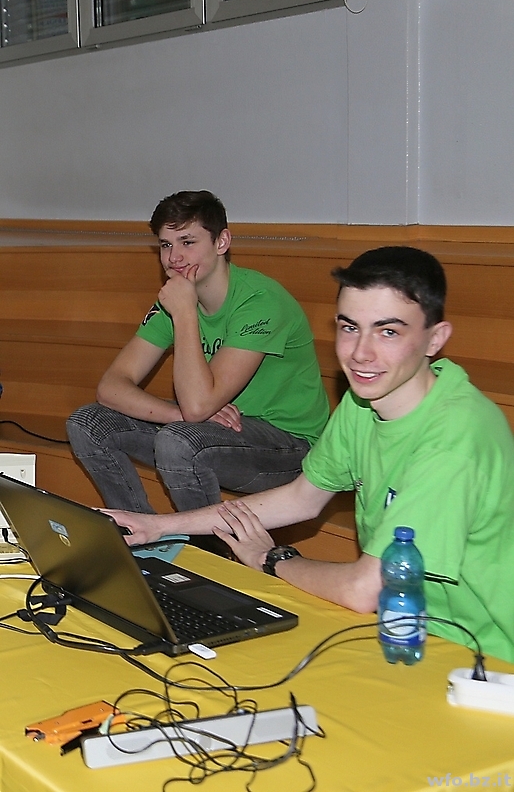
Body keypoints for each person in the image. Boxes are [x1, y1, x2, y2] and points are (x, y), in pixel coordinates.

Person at [106, 245, 514, 662]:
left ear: (435, 339)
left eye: (388, 332)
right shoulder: (364, 402)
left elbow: (363, 589)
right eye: (350, 327)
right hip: (407, 634)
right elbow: (302, 498)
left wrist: (271, 559)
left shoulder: (453, 440)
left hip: (485, 660)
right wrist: (157, 526)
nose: (361, 353)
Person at [66, 190, 329, 556]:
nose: (174, 258)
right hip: (216, 432)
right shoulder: (174, 301)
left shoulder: (259, 302)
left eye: (188, 242)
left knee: (180, 442)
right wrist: (176, 413)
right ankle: (140, 544)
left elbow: (198, 405)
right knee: (88, 423)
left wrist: (185, 313)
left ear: (222, 242)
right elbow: (111, 387)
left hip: (290, 447)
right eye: (166, 245)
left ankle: (216, 563)